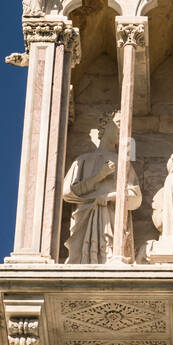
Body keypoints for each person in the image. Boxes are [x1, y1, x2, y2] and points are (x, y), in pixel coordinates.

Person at [62, 111, 141, 263]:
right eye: (119, 123)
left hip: (112, 221)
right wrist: (100, 176)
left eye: (127, 126)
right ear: (105, 125)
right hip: (85, 221)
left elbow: (136, 198)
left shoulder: (124, 163)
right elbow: (68, 192)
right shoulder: (83, 160)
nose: (124, 129)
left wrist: (109, 197)